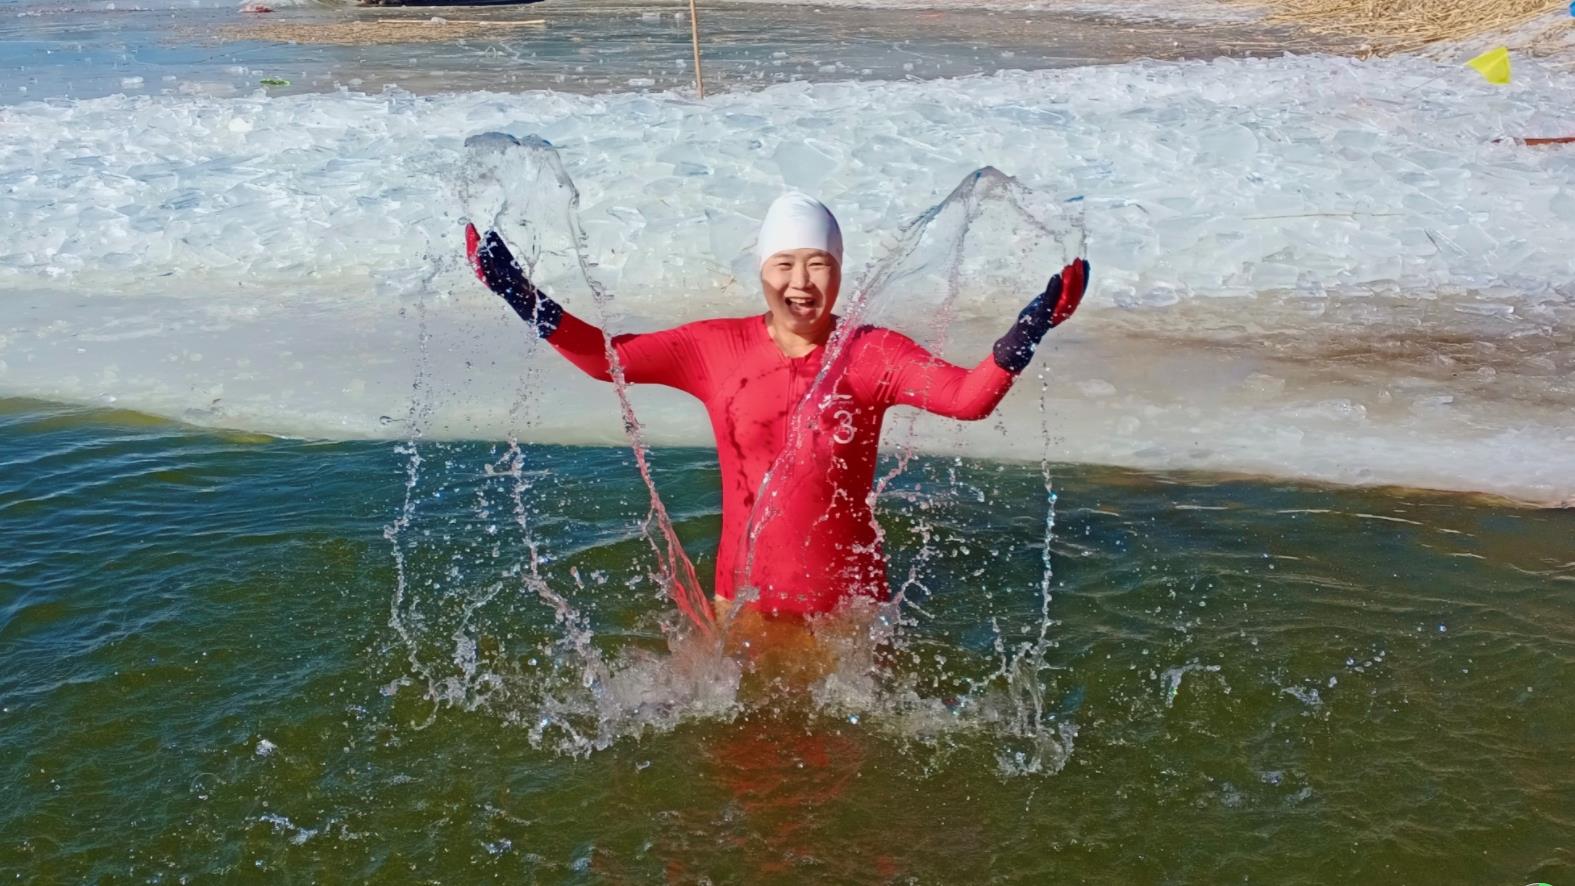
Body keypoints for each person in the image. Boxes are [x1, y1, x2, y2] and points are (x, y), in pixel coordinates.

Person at [466, 193, 1087, 619]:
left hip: (849, 616)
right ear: (762, 270)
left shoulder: (871, 354)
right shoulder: (715, 348)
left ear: (839, 272)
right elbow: (609, 359)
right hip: (741, 606)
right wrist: (519, 294)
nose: (801, 282)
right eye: (784, 264)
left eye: (818, 265)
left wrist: (1030, 328)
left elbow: (966, 398)